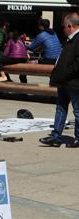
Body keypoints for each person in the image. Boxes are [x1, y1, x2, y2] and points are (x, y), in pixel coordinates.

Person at [39, 13, 79, 148]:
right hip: (64, 83)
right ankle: (56, 136)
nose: (63, 29)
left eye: (64, 27)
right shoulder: (68, 40)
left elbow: (77, 65)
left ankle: (78, 138)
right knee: (60, 109)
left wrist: (63, 75)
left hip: (74, 83)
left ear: (70, 26)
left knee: (78, 111)